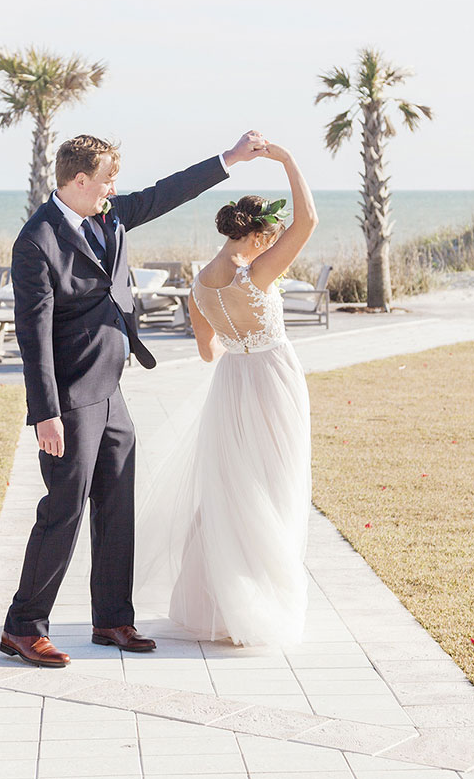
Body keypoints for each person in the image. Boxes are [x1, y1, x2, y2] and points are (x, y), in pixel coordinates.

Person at [0, 130, 268, 667]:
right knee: (64, 510)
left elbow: (167, 192)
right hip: (72, 396)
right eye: (106, 180)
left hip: (111, 389)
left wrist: (231, 160)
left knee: (118, 504)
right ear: (79, 180)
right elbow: (33, 335)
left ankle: (113, 619)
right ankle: (23, 626)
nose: (113, 189)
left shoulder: (112, 215)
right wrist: (46, 413)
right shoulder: (36, 242)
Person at [135, 141, 318, 646]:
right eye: (270, 239)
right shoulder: (256, 274)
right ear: (259, 235)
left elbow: (207, 349)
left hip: (232, 384)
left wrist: (235, 340)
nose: (272, 246)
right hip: (274, 380)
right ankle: (259, 606)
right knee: (273, 485)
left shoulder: (198, 289)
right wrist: (286, 159)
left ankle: (215, 604)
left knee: (231, 488)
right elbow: (308, 221)